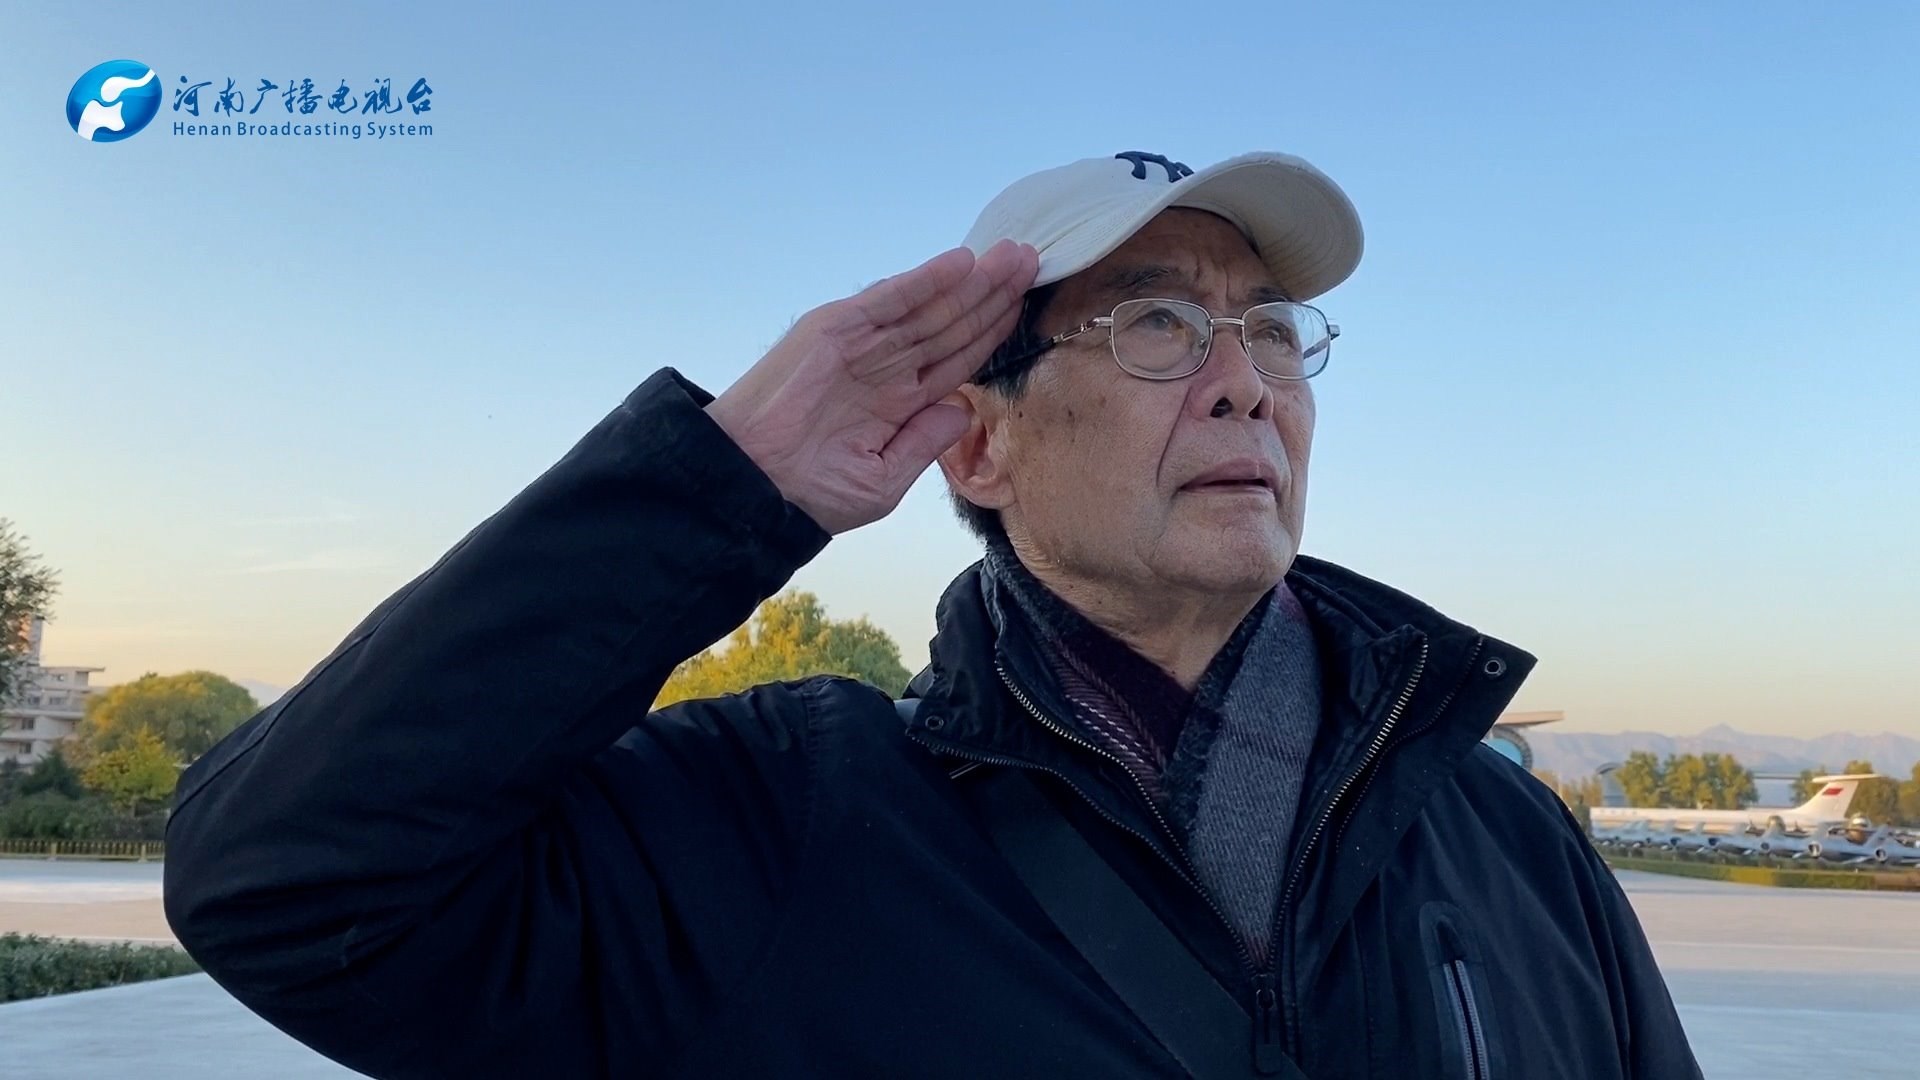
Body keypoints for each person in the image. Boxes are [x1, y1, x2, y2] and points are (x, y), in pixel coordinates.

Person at [164, 149, 1703, 1079]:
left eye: (1273, 331)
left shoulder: (1502, 834)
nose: (1247, 380)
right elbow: (288, 888)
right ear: (979, 445)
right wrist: (720, 486)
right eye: (1158, 322)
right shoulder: (777, 820)